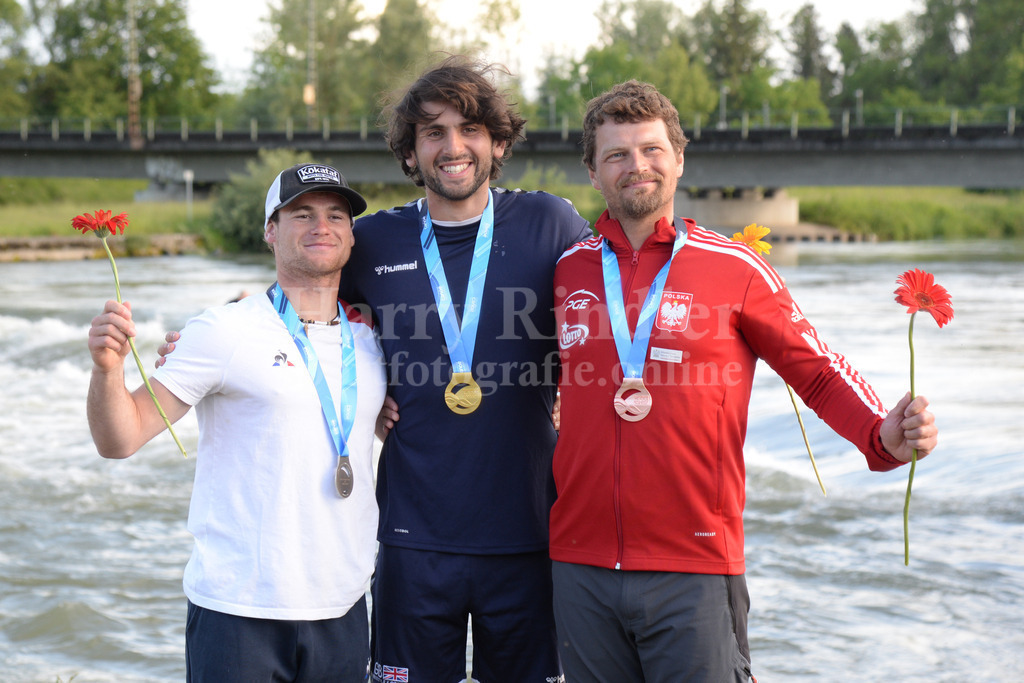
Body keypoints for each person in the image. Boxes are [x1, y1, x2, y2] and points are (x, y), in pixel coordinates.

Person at [549, 80, 939, 682]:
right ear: (593, 173)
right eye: (617, 155)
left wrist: (880, 435)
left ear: (680, 159)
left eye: (652, 150)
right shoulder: (565, 269)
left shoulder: (736, 267)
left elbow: (818, 370)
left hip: (694, 564)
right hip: (580, 566)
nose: (637, 166)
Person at [340, 56, 592, 682]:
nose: (453, 147)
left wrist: (580, 387)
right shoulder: (373, 241)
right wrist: (361, 396)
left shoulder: (550, 223)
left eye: (470, 129)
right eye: (433, 132)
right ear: (410, 152)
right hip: (411, 538)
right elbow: (307, 321)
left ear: (498, 142)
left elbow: (615, 307)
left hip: (530, 533)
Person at [87, 163, 386, 682]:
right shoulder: (221, 331)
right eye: (302, 214)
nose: (322, 226)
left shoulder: (372, 342)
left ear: (352, 235)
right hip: (238, 609)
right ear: (270, 231)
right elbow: (121, 438)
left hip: (344, 606)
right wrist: (107, 369)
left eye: (336, 215)